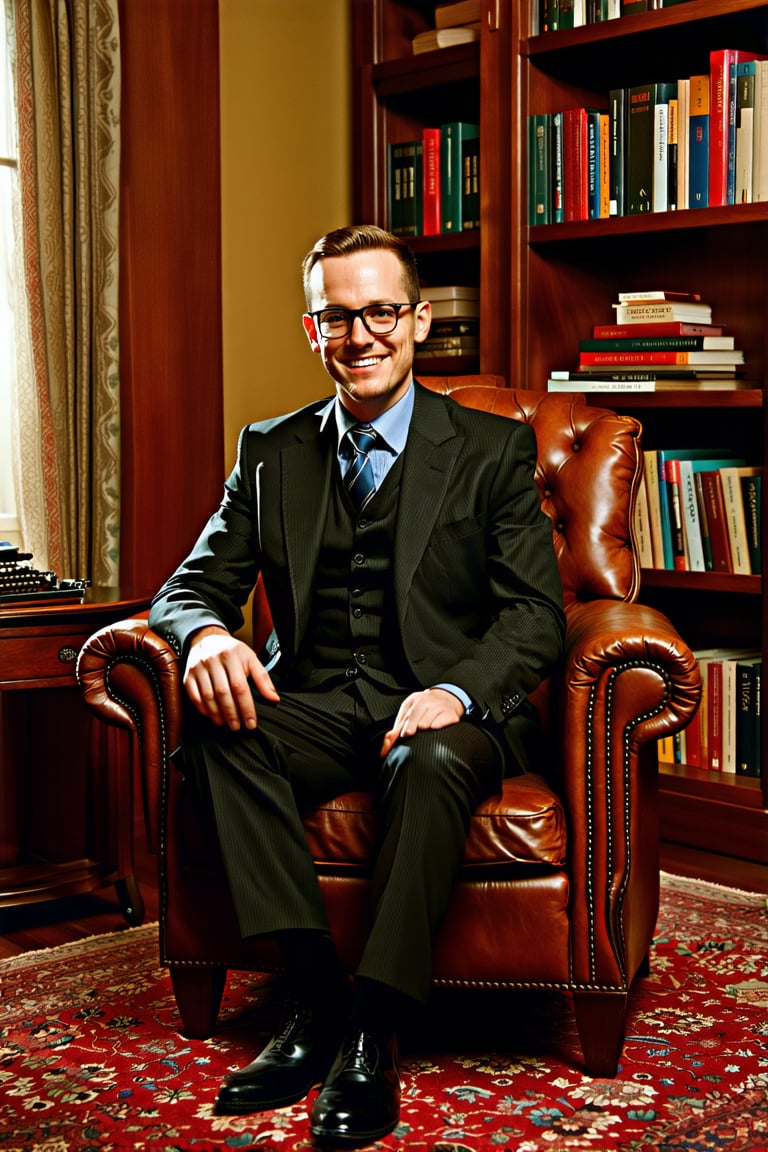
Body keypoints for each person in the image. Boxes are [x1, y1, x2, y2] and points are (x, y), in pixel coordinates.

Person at [148, 224, 565, 1146]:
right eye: (338, 316)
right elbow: (186, 588)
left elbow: (535, 614)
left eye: (381, 311)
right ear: (312, 329)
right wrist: (209, 633)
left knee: (427, 762)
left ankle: (374, 1026)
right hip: (321, 704)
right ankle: (316, 996)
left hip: (448, 712)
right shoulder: (271, 451)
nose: (361, 335)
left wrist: (458, 694)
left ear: (419, 320)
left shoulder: (491, 451)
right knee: (217, 735)